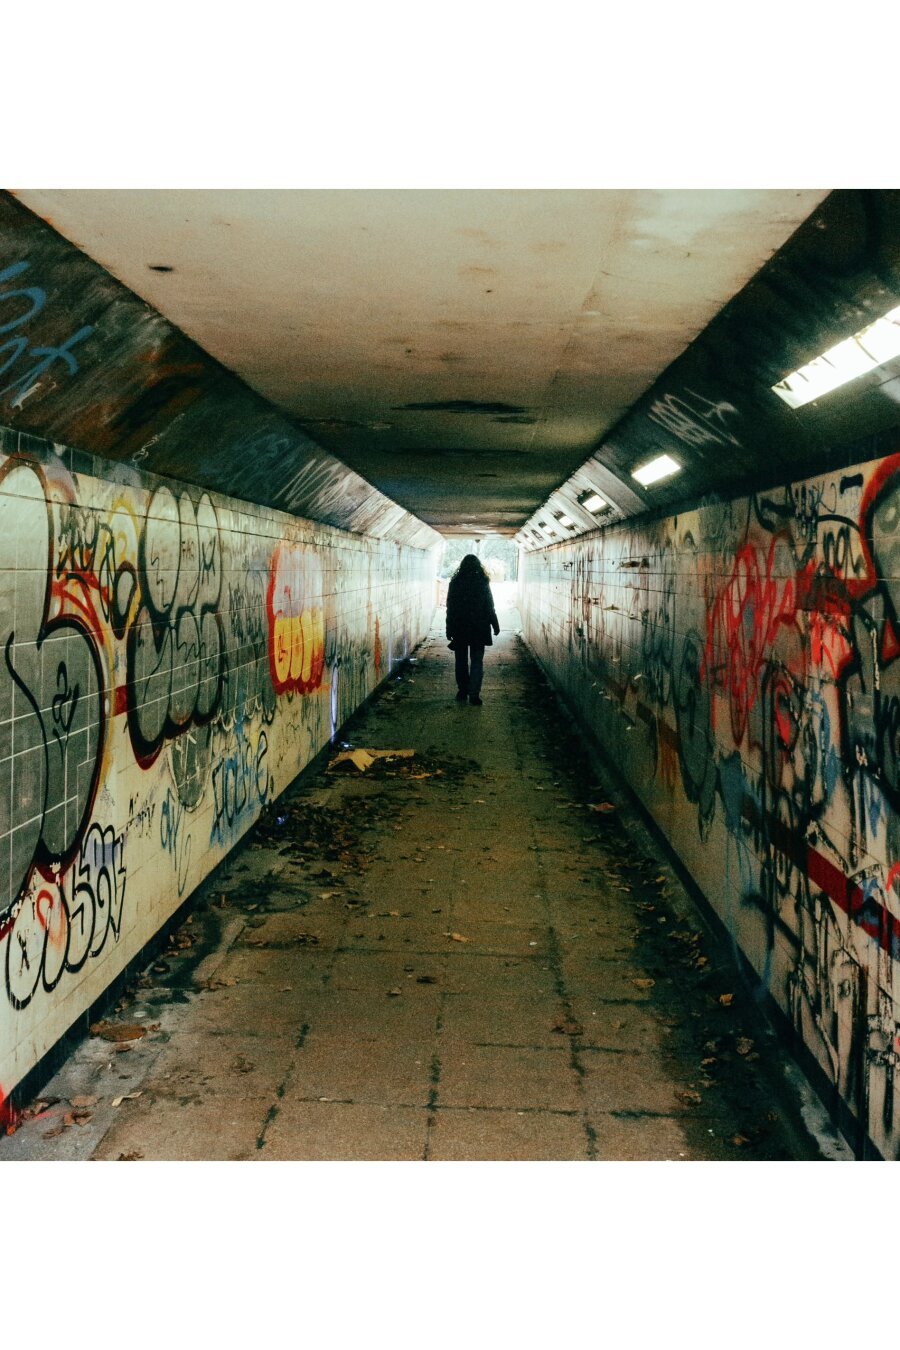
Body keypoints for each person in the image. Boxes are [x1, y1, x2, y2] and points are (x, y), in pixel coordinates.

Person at [445, 554, 500, 706]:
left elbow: (451, 608)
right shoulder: (482, 582)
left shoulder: (455, 583)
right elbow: (489, 606)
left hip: (460, 628)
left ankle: (462, 690)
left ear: (461, 566)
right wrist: (495, 625)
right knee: (477, 662)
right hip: (479, 629)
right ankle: (474, 695)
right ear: (478, 566)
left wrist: (449, 629)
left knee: (460, 661)